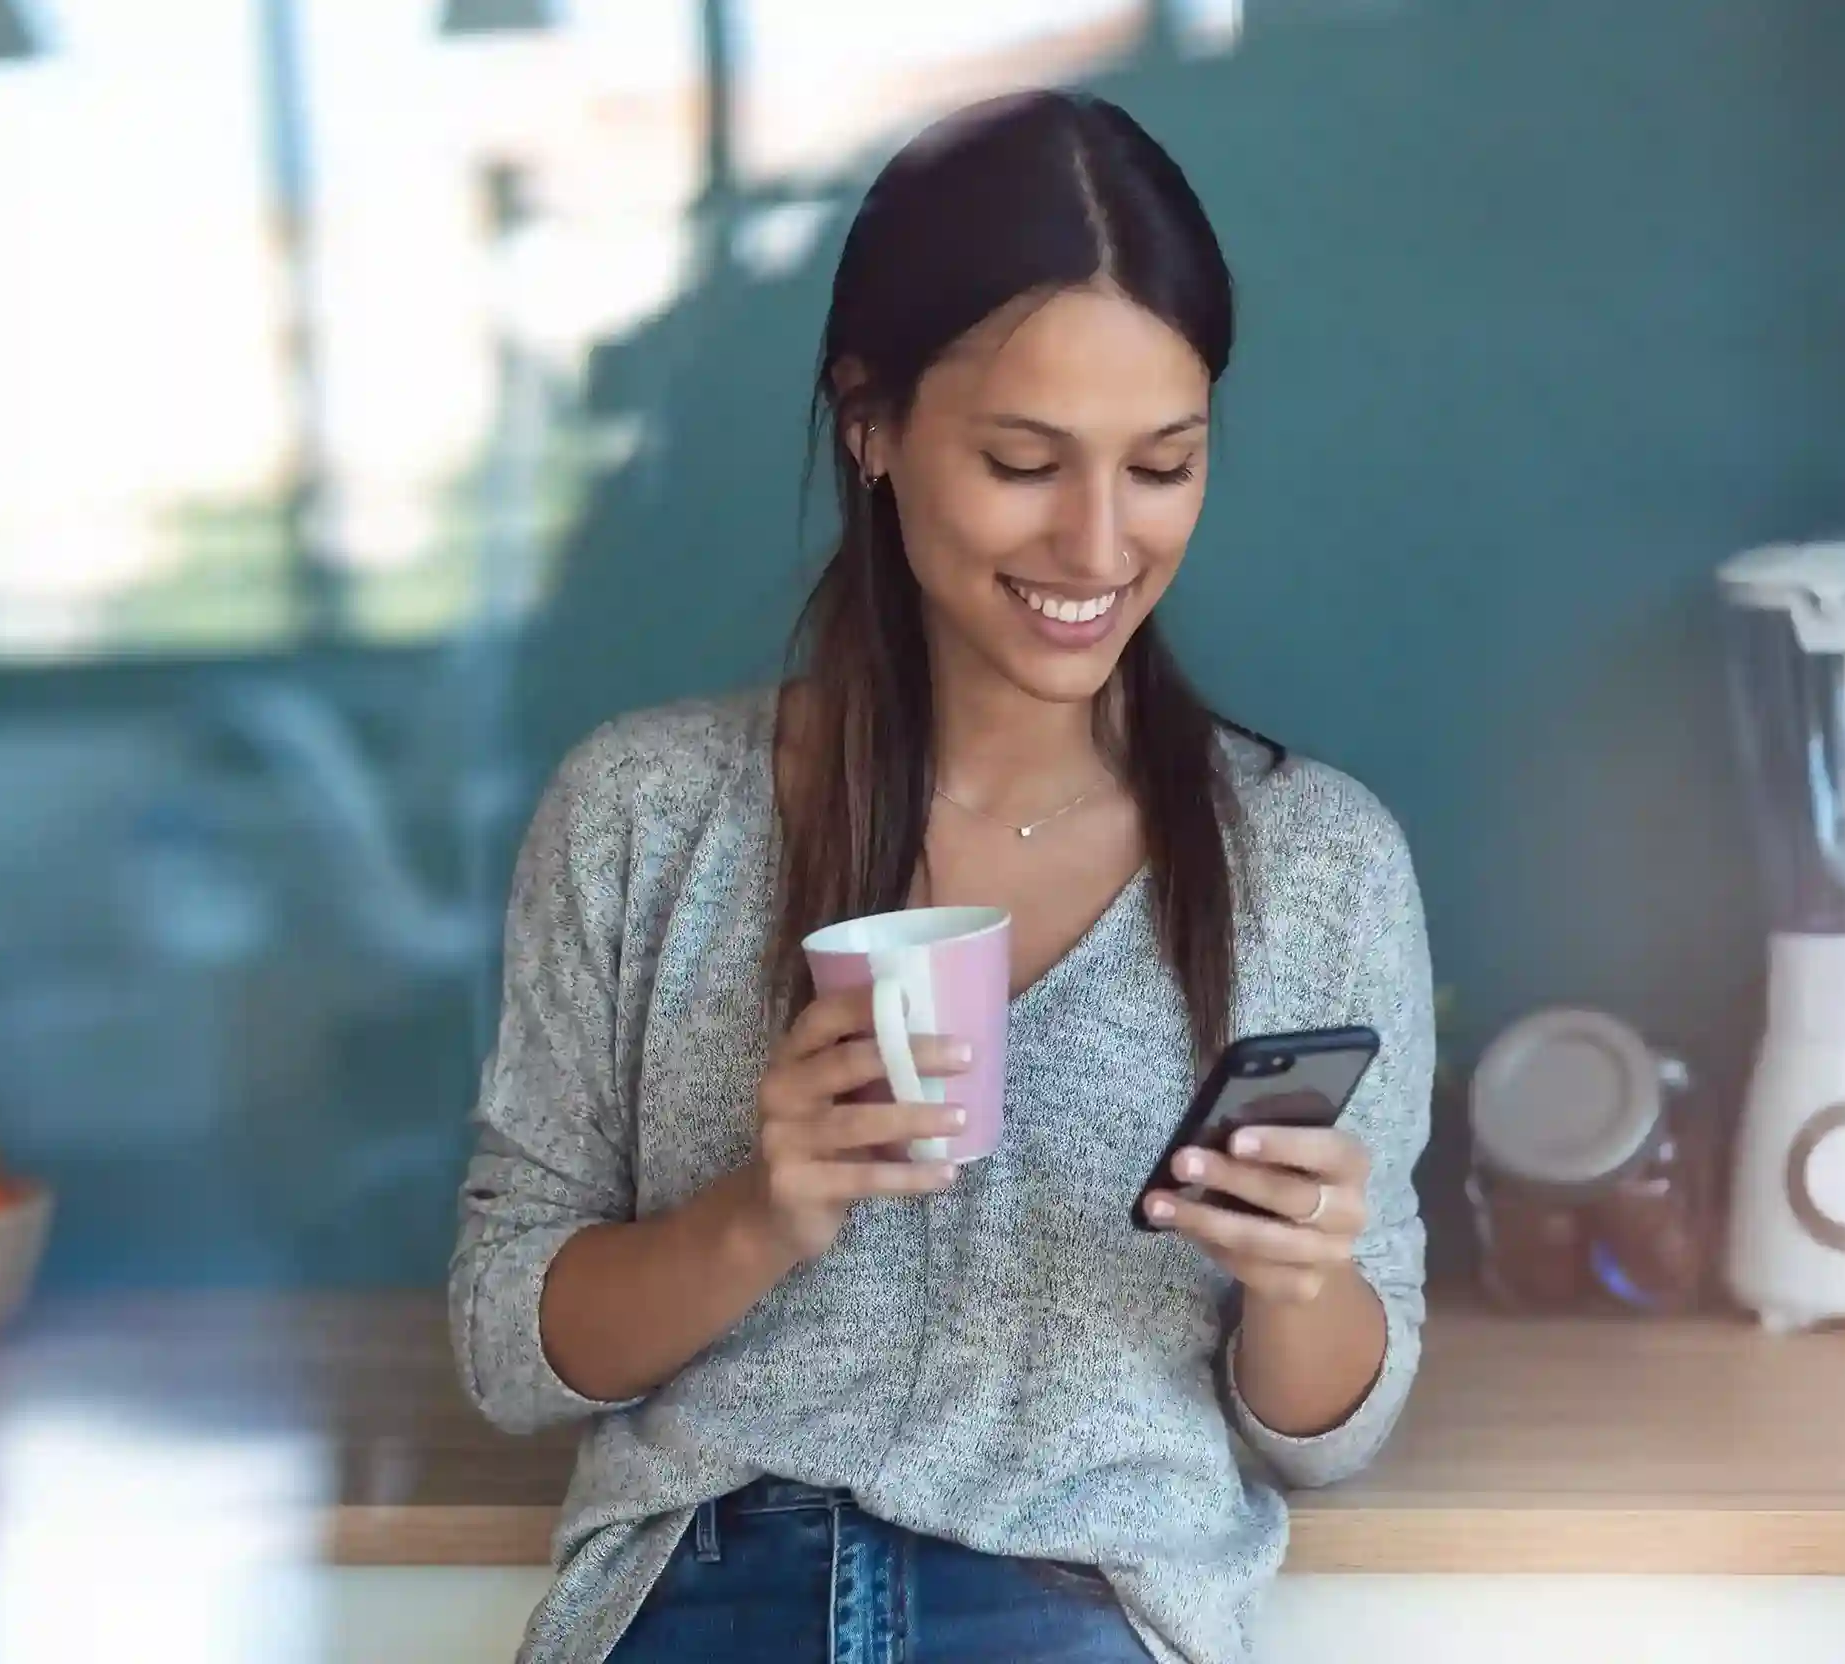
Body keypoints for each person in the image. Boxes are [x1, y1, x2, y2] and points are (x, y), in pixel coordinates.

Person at [450, 89, 1433, 1664]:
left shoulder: (1313, 865)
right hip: (707, 1590)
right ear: (871, 425)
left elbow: (1330, 1431)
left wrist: (1298, 1279)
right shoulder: (642, 815)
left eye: (1162, 464)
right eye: (1023, 462)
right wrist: (760, 1214)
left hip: (1083, 1600)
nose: (1098, 545)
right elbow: (509, 1351)